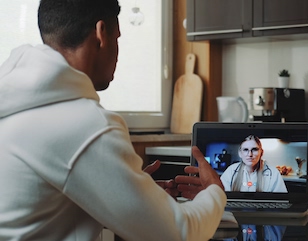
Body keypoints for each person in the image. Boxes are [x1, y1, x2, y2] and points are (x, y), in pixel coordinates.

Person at [0, 0, 226, 240]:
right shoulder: (87, 124)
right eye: (117, 38)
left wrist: (130, 193)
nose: (118, 51)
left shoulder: (16, 104)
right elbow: (177, 234)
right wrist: (214, 192)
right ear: (101, 33)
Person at [220, 135, 287, 192]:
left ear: (262, 153)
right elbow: (220, 196)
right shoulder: (231, 171)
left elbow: (282, 201)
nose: (250, 154)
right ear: (240, 153)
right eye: (245, 150)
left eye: (254, 149)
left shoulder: (273, 174)